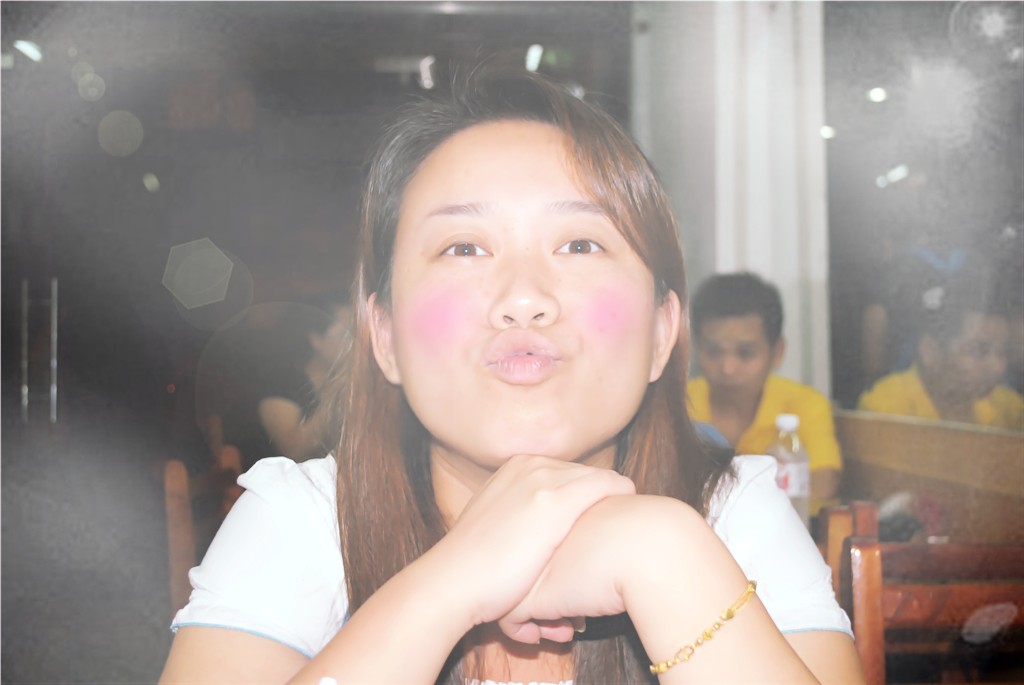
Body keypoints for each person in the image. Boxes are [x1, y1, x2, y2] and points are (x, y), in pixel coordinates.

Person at [161, 71, 863, 684]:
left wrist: (664, 554)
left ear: (660, 334)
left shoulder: (732, 516)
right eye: (463, 248)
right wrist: (451, 581)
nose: (524, 296)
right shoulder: (306, 520)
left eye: (580, 244)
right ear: (385, 336)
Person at [687, 273, 843, 513]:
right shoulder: (679, 403)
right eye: (713, 352)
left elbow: (824, 484)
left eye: (746, 353)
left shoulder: (805, 405)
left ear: (777, 351)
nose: (728, 368)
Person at [858, 278, 1024, 429]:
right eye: (979, 351)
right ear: (930, 350)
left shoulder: (1010, 409)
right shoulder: (886, 409)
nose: (998, 367)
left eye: (1004, 352)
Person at [256, 290, 353, 462]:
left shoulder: (355, 383)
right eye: (345, 335)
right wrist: (340, 387)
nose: (355, 343)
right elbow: (294, 451)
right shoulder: (282, 384)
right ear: (316, 340)